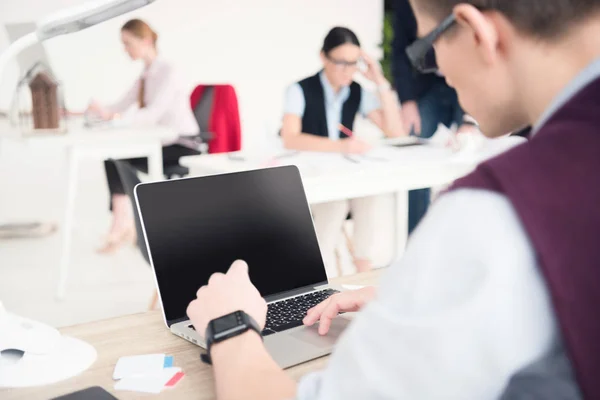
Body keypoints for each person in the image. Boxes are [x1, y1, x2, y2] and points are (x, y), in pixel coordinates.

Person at [184, 0, 600, 398]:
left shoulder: (492, 215)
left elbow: (394, 125)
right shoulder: (302, 89)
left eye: (424, 46)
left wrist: (230, 325)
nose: (434, 66)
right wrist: (418, 297)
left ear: (475, 32)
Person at [280, 27, 405, 274]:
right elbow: (290, 138)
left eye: (353, 63)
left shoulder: (356, 91)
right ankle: (320, 273)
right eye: (340, 62)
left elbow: (395, 131)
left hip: (339, 171)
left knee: (370, 192)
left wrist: (379, 81)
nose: (347, 70)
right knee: (334, 203)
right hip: (311, 174)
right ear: (323, 57)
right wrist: (341, 146)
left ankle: (363, 269)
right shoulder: (300, 89)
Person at [86, 19, 200, 253]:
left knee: (118, 161)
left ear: (146, 41)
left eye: (128, 43)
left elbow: (152, 114)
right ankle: (124, 222)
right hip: (159, 143)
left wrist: (116, 120)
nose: (125, 49)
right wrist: (96, 111)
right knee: (113, 160)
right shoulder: (145, 75)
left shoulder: (169, 72)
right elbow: (120, 105)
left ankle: (129, 224)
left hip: (182, 144)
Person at [393, 0, 476, 234]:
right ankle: (417, 235)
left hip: (467, 84)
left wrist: (470, 118)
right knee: (415, 151)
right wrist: (407, 101)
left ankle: (464, 233)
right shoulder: (405, 6)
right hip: (428, 87)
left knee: (469, 151)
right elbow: (400, 51)